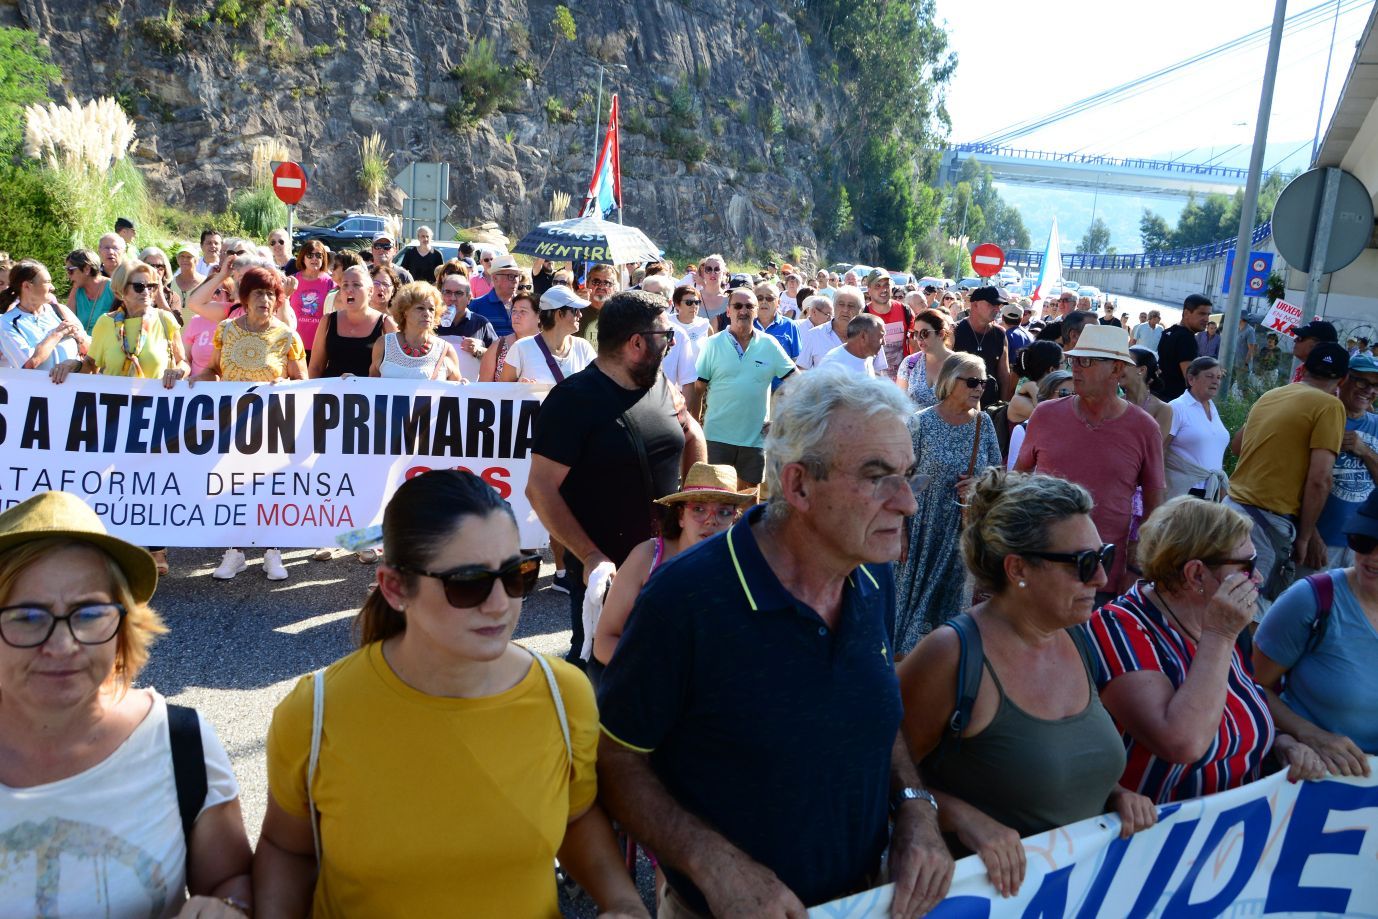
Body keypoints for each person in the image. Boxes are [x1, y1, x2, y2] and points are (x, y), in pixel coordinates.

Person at [597, 366, 954, 919]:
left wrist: (915, 806)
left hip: (866, 899)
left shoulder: (874, 575)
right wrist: (712, 862)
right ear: (799, 485)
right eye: (878, 475)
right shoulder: (685, 599)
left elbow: (875, 713)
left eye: (908, 474)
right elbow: (615, 756)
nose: (908, 502)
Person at [253, 470, 648, 917]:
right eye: (468, 582)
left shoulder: (564, 696)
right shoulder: (316, 711)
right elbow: (285, 848)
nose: (500, 603)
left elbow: (575, 818)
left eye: (517, 574)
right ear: (395, 587)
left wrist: (621, 901)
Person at [898, 471, 1156, 897]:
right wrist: (959, 816)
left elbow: (1046, 766)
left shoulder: (1078, 637)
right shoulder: (953, 655)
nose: (1101, 580)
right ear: (1018, 568)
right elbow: (880, 774)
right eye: (1083, 564)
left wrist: (1115, 794)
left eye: (1104, 557)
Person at [0, 491, 252, 917]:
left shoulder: (180, 743)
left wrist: (230, 906)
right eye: (28, 616)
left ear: (123, 626)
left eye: (89, 613)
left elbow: (231, 879)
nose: (63, 645)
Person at [1082, 497, 1325, 802]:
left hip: (1228, 829)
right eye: (1248, 565)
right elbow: (1182, 743)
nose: (1258, 578)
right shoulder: (1119, 627)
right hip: (1154, 835)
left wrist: (1279, 742)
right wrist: (1220, 635)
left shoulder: (1220, 618)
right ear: (1196, 574)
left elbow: (1231, 715)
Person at [527, 290, 706, 665]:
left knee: (671, 664)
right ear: (636, 343)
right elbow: (540, 489)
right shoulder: (570, 401)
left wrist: (695, 503)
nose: (671, 345)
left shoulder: (658, 384)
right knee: (605, 670)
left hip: (668, 565)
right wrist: (590, 556)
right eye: (665, 337)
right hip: (607, 576)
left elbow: (692, 433)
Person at [1016, 325, 1165, 596]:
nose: (1076, 368)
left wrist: (1135, 565)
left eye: (1086, 361)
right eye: (1073, 359)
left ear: (1117, 370)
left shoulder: (1144, 428)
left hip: (1103, 574)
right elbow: (1018, 481)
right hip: (1041, 563)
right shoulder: (1045, 414)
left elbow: (1155, 507)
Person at [194, 267, 308, 583]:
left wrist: (283, 386)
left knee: (269, 488)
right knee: (232, 487)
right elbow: (212, 370)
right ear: (245, 298)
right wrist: (188, 382)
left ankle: (272, 551)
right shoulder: (227, 330)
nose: (265, 299)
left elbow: (302, 382)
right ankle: (236, 552)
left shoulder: (287, 336)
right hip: (231, 426)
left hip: (272, 428)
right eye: (258, 293)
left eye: (271, 294)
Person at [1254, 490, 1378, 767]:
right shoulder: (1313, 599)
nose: (1372, 557)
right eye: (1363, 541)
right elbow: (1251, 685)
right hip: (1314, 774)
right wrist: (1308, 734)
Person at [590, 462, 751, 676]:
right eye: (699, 509)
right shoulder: (646, 556)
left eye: (723, 512)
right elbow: (604, 642)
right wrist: (662, 672)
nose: (711, 521)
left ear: (734, 519)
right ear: (680, 516)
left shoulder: (742, 564)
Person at [893, 353, 1003, 653]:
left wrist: (979, 484)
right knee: (909, 602)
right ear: (949, 381)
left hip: (960, 528)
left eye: (983, 382)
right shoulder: (921, 422)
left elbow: (997, 472)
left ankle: (944, 662)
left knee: (953, 601)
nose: (978, 388)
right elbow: (902, 477)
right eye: (971, 382)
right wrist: (900, 530)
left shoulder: (984, 423)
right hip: (921, 528)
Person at [1227, 343, 1348, 603]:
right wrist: (1305, 538)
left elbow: (1237, 445)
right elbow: (1320, 480)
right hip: (1265, 524)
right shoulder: (1330, 406)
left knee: (1218, 596)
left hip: (1230, 508)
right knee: (1249, 611)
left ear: (1304, 369)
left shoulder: (1272, 394)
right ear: (1343, 379)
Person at [689, 286, 796, 488]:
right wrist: (695, 427)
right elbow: (698, 389)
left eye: (749, 306)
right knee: (715, 497)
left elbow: (798, 383)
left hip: (755, 440)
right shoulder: (712, 344)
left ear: (756, 311)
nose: (743, 311)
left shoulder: (770, 344)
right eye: (737, 306)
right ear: (728, 311)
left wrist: (782, 421)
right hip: (716, 438)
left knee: (748, 502)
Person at [51, 260, 188, 389]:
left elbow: (184, 362)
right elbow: (91, 366)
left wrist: (178, 371)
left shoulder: (165, 319)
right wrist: (72, 365)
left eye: (151, 287)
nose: (147, 292)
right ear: (120, 291)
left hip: (153, 407)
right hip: (114, 407)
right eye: (139, 287)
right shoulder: (106, 322)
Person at [1312, 353, 1378, 566]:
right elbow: (1295, 482)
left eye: (1376, 386)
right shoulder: (1320, 415)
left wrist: (1365, 451)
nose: (1369, 391)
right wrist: (1310, 536)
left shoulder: (1376, 424)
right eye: (1362, 381)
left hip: (1362, 545)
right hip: (1320, 542)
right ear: (1343, 379)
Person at [307, 265, 394, 381]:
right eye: (345, 285)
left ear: (370, 291)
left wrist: (357, 383)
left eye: (356, 285)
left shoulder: (386, 324)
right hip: (330, 396)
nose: (349, 290)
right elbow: (315, 367)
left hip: (369, 396)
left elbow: (395, 373)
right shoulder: (327, 321)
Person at [0, 259, 89, 372]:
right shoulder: (7, 322)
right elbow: (29, 363)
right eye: (47, 282)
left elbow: (92, 354)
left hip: (73, 387)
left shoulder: (60, 311)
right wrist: (57, 334)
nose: (53, 287)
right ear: (27, 286)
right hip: (37, 389)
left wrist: (80, 338)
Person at [1164, 357, 1231, 501]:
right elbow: (1158, 450)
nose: (1216, 381)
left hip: (1212, 491)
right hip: (1183, 492)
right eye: (1209, 376)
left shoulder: (1212, 407)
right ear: (1191, 379)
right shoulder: (1176, 408)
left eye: (1218, 377)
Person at [500, 286, 597, 384]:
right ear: (559, 314)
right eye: (575, 310)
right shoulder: (521, 348)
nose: (580, 315)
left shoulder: (583, 347)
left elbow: (596, 384)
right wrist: (519, 388)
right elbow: (502, 392)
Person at [371, 281, 464, 381]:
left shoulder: (446, 350)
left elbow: (457, 391)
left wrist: (464, 386)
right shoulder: (383, 345)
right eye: (420, 308)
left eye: (431, 309)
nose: (427, 314)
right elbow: (370, 385)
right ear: (404, 312)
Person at [798, 285, 886, 374]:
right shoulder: (814, 335)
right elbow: (802, 371)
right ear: (833, 307)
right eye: (841, 304)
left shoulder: (872, 335)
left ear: (861, 310)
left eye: (851, 306)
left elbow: (879, 373)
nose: (845, 309)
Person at [954, 287, 1012, 408]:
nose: (997, 309)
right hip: (958, 404)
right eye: (992, 304)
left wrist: (1002, 407)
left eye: (999, 305)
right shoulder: (955, 331)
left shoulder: (1000, 334)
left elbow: (1004, 375)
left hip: (989, 406)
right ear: (975, 305)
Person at [435, 273, 497, 381]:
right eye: (448, 292)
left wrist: (479, 351)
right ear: (442, 296)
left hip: (469, 393)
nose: (452, 298)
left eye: (459, 293)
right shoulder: (431, 322)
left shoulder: (481, 323)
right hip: (437, 391)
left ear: (469, 298)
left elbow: (498, 356)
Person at [1007, 370, 1072, 471]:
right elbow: (1013, 479)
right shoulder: (1024, 431)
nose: (1071, 399)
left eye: (1076, 395)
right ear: (1047, 395)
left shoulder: (1081, 430)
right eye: (1064, 393)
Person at [1156, 294, 1210, 400]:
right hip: (1176, 400)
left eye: (1208, 314)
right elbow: (1190, 378)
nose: (1206, 319)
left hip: (1161, 396)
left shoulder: (1168, 332)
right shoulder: (1186, 338)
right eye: (1202, 314)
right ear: (1186, 313)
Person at [895, 308, 951, 410]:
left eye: (924, 333)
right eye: (915, 333)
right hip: (914, 425)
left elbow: (971, 407)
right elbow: (899, 406)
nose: (919, 338)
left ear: (941, 334)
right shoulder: (909, 363)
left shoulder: (960, 364)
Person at [477, 291, 540, 382]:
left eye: (523, 311)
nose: (516, 316)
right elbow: (483, 389)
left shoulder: (549, 345)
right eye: (514, 311)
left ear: (539, 316)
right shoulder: (498, 346)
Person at [863, 269, 912, 378]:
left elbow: (915, 344)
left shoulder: (905, 310)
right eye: (877, 286)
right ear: (869, 290)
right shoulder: (863, 314)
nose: (883, 289)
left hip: (901, 381)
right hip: (874, 383)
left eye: (886, 285)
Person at [289, 240, 334, 354]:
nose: (314, 259)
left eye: (318, 255)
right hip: (294, 343)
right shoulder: (292, 281)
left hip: (320, 344)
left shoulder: (331, 283)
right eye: (310, 255)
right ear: (303, 258)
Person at [1005, 340, 1064, 428]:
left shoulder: (1051, 394)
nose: (1066, 368)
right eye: (1063, 363)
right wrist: (1032, 387)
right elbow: (1051, 417)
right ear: (1052, 370)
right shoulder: (1020, 400)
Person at [469, 254, 523, 337]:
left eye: (517, 276)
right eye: (511, 276)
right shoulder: (477, 306)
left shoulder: (525, 304)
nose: (515, 280)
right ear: (494, 278)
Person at [820, 313, 886, 377]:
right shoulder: (833, 365)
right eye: (881, 336)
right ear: (863, 336)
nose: (884, 342)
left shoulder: (867, 355)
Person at [65, 248, 115, 333]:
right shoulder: (77, 290)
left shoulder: (112, 288)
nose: (68, 276)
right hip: (83, 344)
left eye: (70, 270)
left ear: (87, 269)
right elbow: (68, 320)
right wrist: (74, 288)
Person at [755, 280, 800, 371]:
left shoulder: (790, 325)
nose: (764, 301)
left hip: (781, 384)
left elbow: (796, 359)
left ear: (778, 302)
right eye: (759, 298)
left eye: (769, 298)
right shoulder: (747, 325)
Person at [575, 262, 619, 346]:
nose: (601, 287)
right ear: (587, 284)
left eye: (607, 283)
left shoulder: (621, 314)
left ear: (614, 288)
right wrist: (576, 305)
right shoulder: (575, 311)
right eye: (596, 282)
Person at [696, 254, 730, 328]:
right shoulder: (694, 297)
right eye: (709, 269)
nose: (713, 273)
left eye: (717, 269)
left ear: (723, 273)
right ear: (703, 273)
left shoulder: (730, 299)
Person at [1003, 301, 1033, 365]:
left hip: (1012, 373)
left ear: (1002, 318)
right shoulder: (1030, 335)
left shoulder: (1007, 336)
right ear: (1021, 318)